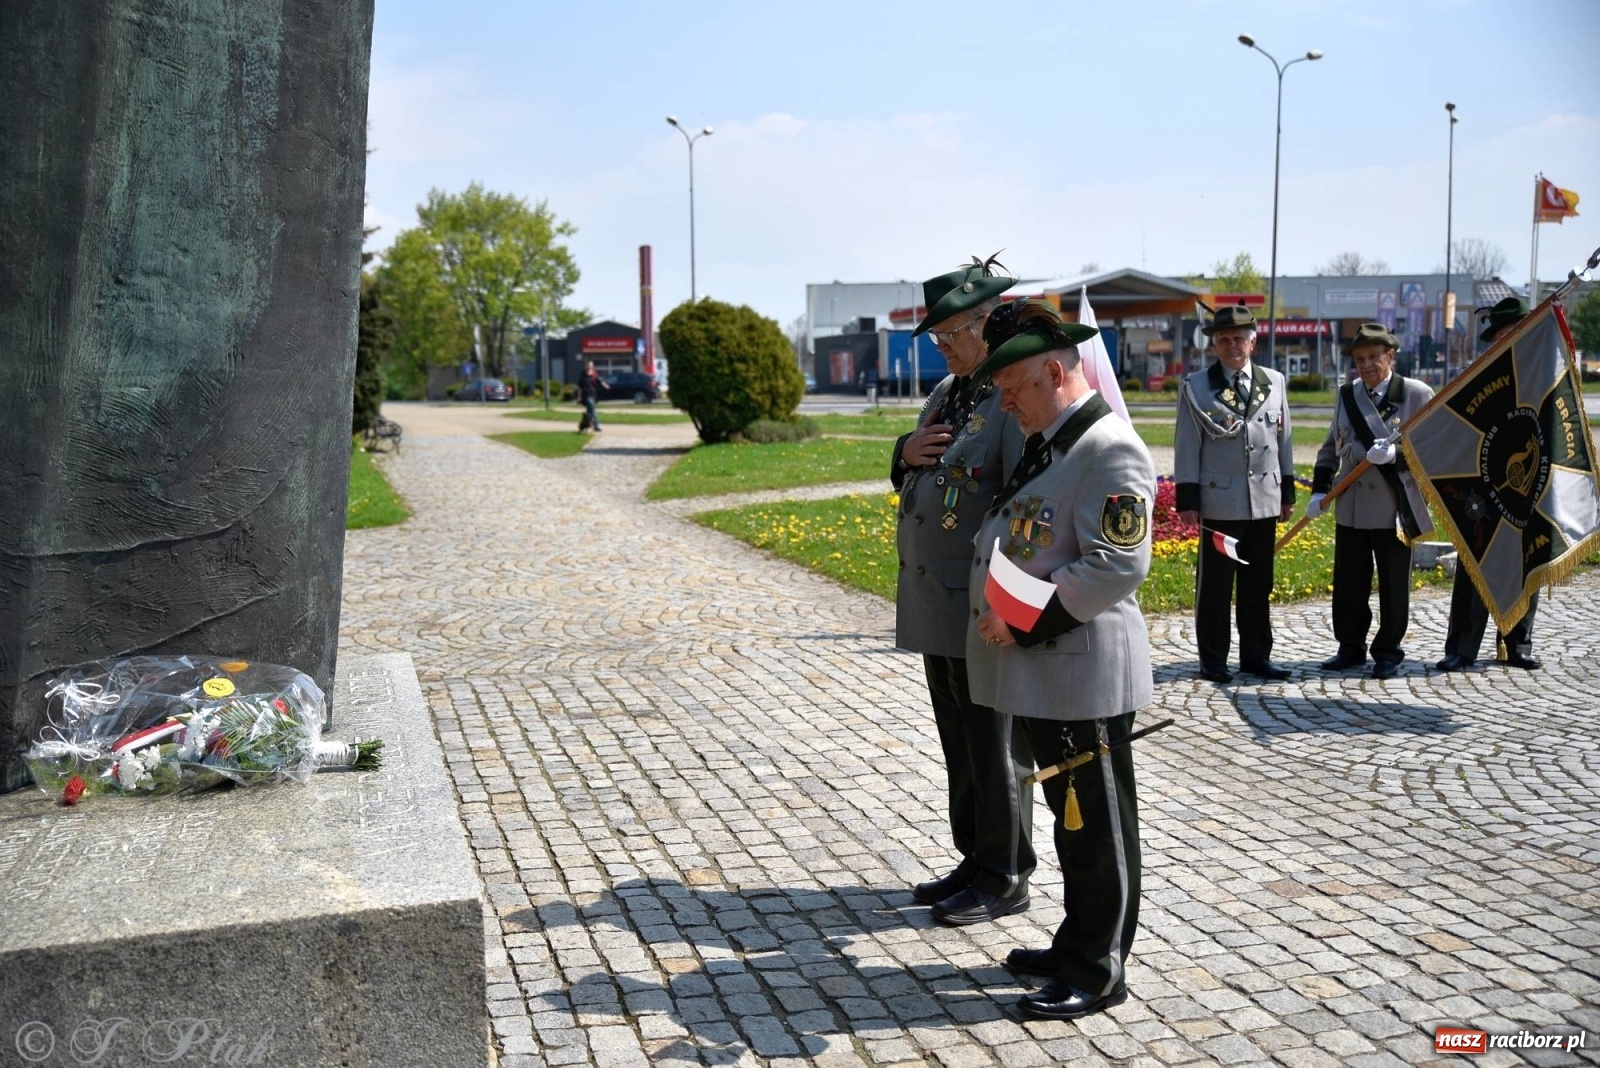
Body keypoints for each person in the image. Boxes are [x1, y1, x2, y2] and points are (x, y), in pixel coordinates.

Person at [966, 304, 1156, 1020]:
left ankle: (1098, 967)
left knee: (1095, 824)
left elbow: (1116, 565)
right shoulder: (1052, 440)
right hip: (1053, 667)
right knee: (1069, 820)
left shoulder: (1108, 446)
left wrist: (1021, 619)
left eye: (1012, 383)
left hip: (1082, 667)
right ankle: (1077, 938)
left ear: (1054, 370)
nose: (1004, 400)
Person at [891, 256, 1034, 927]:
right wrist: (902, 452)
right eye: (938, 338)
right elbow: (929, 459)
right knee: (959, 739)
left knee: (993, 739)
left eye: (953, 335)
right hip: (937, 597)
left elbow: (1024, 498)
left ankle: (1006, 872)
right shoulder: (952, 391)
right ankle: (975, 857)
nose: (944, 348)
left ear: (986, 321)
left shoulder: (1007, 396)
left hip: (979, 602)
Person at [1173, 303, 1296, 683]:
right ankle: (1213, 660)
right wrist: (1189, 500)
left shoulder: (1273, 381)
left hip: (1263, 500)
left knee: (1259, 585)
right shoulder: (1197, 386)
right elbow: (1186, 445)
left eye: (1238, 338)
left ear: (1252, 341)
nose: (1231, 345)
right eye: (1223, 339)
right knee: (1215, 586)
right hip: (1219, 502)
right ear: (1214, 345)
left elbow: (1284, 440)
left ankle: (1257, 657)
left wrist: (1286, 492)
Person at [1307, 323, 1435, 679]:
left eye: (1373, 357)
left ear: (1390, 356)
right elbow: (1330, 447)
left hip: (1394, 506)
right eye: (1359, 359)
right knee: (1349, 584)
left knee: (1393, 585)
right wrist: (1320, 490)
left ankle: (1388, 651)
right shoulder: (1347, 395)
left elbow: (1434, 452)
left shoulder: (1415, 394)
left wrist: (1397, 455)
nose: (1365, 365)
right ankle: (1350, 647)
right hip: (1351, 506)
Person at [1438, 297, 1541, 671]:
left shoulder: (1540, 376)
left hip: (1527, 485)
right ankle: (1462, 646)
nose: (1510, 337)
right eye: (1502, 333)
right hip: (1478, 483)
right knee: (1474, 561)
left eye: (1516, 331)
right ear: (1493, 337)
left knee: (1523, 561)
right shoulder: (1473, 376)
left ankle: (1518, 643)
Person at [578, 361, 603, 432]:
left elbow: (599, 381)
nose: (590, 367)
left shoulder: (594, 374)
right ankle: (596, 426)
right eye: (588, 365)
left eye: (591, 365)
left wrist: (605, 385)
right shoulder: (582, 375)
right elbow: (580, 387)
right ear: (586, 366)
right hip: (586, 395)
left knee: (589, 413)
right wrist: (579, 397)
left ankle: (583, 425)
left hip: (593, 395)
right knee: (592, 409)